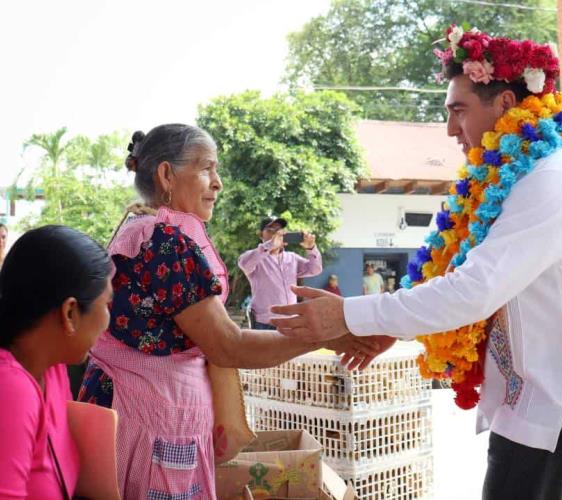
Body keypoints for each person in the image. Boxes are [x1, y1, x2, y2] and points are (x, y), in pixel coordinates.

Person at [270, 25, 562, 500]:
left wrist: (347, 313)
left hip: (560, 403)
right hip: (534, 398)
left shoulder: (553, 180)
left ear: (505, 104)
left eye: (458, 110)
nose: (448, 129)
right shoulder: (515, 175)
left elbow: (473, 290)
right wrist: (385, 328)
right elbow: (458, 276)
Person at [77, 124, 381, 499]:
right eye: (207, 168)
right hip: (147, 419)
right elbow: (228, 345)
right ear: (167, 174)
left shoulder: (143, 229)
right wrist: (324, 335)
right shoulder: (164, 241)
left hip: (140, 411)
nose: (218, 182)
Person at [0, 225, 114, 498]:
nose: (108, 322)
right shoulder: (11, 390)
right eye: (106, 305)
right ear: (70, 313)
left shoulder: (53, 368)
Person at [238, 217, 322, 330]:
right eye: (270, 230)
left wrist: (311, 248)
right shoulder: (255, 258)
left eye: (278, 231)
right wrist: (269, 245)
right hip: (266, 323)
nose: (275, 234)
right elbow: (244, 263)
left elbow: (315, 269)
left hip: (291, 322)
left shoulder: (292, 258)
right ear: (260, 235)